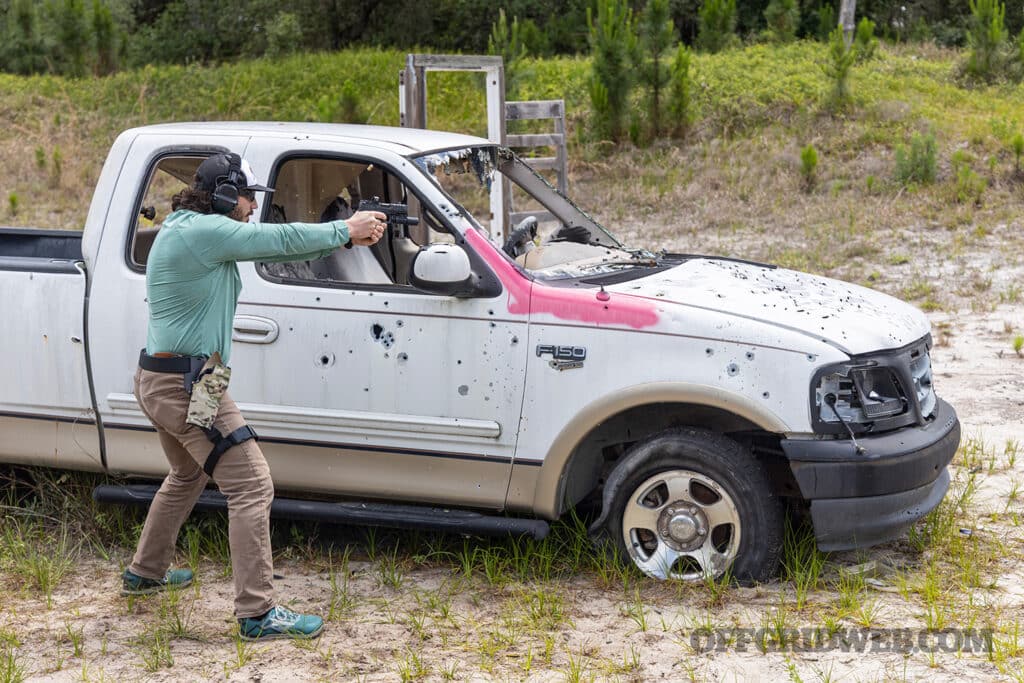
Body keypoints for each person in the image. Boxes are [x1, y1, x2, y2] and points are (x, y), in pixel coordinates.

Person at [120, 152, 385, 641]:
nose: (251, 207)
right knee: (252, 485)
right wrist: (346, 230)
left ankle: (145, 572)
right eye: (246, 198)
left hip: (176, 379)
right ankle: (257, 612)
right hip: (188, 385)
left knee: (187, 474)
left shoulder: (186, 228)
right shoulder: (203, 231)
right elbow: (279, 241)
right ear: (224, 196)